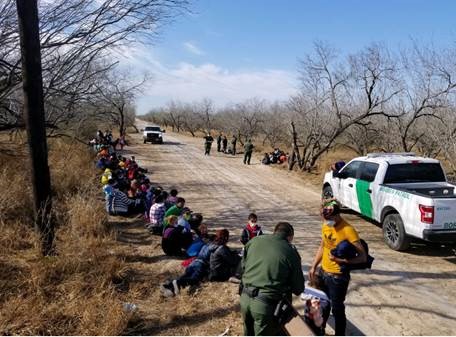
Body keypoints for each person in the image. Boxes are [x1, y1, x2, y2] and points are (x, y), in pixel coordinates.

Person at [309, 200, 366, 336]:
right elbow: (323, 246)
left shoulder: (348, 230)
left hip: (338, 278)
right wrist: (313, 266)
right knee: (322, 306)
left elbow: (362, 257)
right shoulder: (326, 224)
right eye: (324, 219)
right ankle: (319, 331)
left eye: (329, 219)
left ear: (337, 215)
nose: (326, 221)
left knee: (337, 309)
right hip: (323, 272)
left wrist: (340, 260)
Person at [240, 222, 304, 336]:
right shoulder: (291, 252)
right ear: (290, 237)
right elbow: (298, 288)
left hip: (244, 299)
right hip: (265, 305)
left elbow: (243, 267)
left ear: (275, 232)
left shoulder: (254, 241)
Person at [160, 229, 231, 297]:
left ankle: (169, 286)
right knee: (195, 280)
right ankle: (177, 283)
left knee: (185, 276)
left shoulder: (208, 244)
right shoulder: (217, 247)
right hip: (201, 264)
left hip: (194, 262)